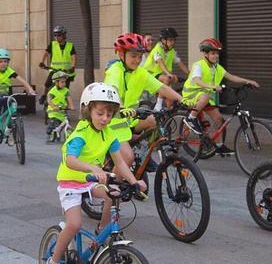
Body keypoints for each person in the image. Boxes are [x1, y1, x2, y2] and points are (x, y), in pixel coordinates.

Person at [40, 82, 146, 264]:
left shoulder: (108, 133)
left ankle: (101, 233)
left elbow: (120, 161)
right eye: (100, 113)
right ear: (88, 111)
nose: (105, 118)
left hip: (89, 182)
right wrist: (93, 168)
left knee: (113, 194)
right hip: (70, 183)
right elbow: (70, 160)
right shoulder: (81, 133)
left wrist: (134, 182)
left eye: (109, 114)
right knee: (75, 225)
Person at [104, 33, 182, 167]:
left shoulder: (140, 72)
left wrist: (182, 99)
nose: (137, 60)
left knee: (153, 120)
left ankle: (143, 153)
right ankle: (114, 187)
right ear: (121, 55)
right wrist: (121, 108)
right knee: (128, 158)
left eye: (140, 56)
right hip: (113, 124)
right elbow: (113, 90)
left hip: (129, 120)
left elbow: (161, 87)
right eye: (133, 56)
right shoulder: (115, 71)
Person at [181, 38, 259, 155]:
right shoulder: (198, 65)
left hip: (205, 97)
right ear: (205, 54)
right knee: (206, 97)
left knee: (219, 119)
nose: (216, 56)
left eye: (217, 53)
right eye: (213, 53)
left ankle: (219, 146)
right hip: (191, 95)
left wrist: (248, 81)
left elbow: (231, 76)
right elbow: (196, 80)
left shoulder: (216, 67)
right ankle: (190, 118)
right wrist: (211, 86)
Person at [0, 48, 36, 130]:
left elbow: (22, 80)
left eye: (5, 61)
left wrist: (30, 89)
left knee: (12, 104)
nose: (3, 63)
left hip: (5, 93)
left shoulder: (9, 71)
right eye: (0, 61)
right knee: (0, 101)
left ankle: (9, 130)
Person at [143, 28, 190, 98]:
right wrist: (169, 74)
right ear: (163, 40)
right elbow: (160, 62)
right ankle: (158, 105)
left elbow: (181, 64)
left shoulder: (172, 51)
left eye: (174, 40)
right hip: (149, 75)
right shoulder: (157, 49)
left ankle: (169, 107)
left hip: (160, 76)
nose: (173, 42)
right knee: (167, 79)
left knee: (170, 98)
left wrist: (191, 75)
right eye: (170, 40)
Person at [39, 25, 76, 104]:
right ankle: (45, 96)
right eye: (55, 35)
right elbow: (46, 53)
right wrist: (42, 62)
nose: (56, 37)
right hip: (54, 70)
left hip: (66, 72)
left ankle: (65, 104)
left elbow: (74, 57)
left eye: (58, 35)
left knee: (65, 88)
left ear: (64, 35)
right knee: (47, 84)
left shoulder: (70, 45)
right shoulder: (52, 44)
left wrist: (73, 67)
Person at [46, 71, 74, 143]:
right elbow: (49, 100)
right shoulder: (53, 91)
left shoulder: (66, 91)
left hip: (62, 111)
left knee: (63, 124)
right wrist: (53, 106)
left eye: (65, 82)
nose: (64, 84)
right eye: (62, 82)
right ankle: (50, 134)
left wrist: (71, 106)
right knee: (53, 124)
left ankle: (64, 133)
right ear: (56, 82)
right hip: (54, 112)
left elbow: (69, 98)